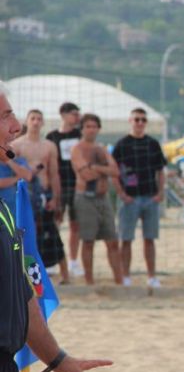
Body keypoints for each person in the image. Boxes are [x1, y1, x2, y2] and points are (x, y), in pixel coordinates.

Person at [0, 83, 112, 372]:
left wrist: (57, 357)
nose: (14, 126)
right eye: (5, 116)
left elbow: (21, 293)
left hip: (5, 371)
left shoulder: (6, 210)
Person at [112, 108, 167, 288]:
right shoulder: (121, 144)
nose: (140, 123)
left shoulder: (153, 144)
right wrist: (121, 194)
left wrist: (160, 193)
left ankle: (151, 276)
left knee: (149, 239)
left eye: (143, 120)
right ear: (130, 121)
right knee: (126, 239)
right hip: (129, 198)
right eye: (137, 119)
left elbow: (160, 171)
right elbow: (114, 172)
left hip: (150, 197)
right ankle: (125, 276)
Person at [12, 109, 68, 283]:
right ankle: (26, 277)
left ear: (43, 123)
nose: (36, 122)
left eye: (39, 119)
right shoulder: (17, 145)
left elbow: (54, 173)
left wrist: (55, 198)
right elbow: (12, 172)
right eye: (33, 118)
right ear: (27, 121)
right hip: (24, 194)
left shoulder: (49, 146)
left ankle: (65, 276)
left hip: (44, 194)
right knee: (25, 236)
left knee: (52, 235)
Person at [70, 114, 123, 286]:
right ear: (82, 129)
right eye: (88, 126)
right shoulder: (77, 149)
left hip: (103, 198)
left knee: (113, 241)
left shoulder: (101, 149)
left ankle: (119, 281)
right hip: (85, 198)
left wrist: (96, 167)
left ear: (99, 129)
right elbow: (85, 175)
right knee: (88, 241)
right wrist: (103, 170)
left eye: (94, 126)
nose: (91, 129)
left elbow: (116, 171)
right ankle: (89, 281)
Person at [46, 102, 82, 278]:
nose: (77, 117)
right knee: (54, 224)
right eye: (74, 114)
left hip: (77, 185)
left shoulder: (80, 134)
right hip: (59, 185)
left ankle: (74, 261)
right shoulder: (52, 136)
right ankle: (53, 260)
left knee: (76, 225)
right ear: (63, 114)